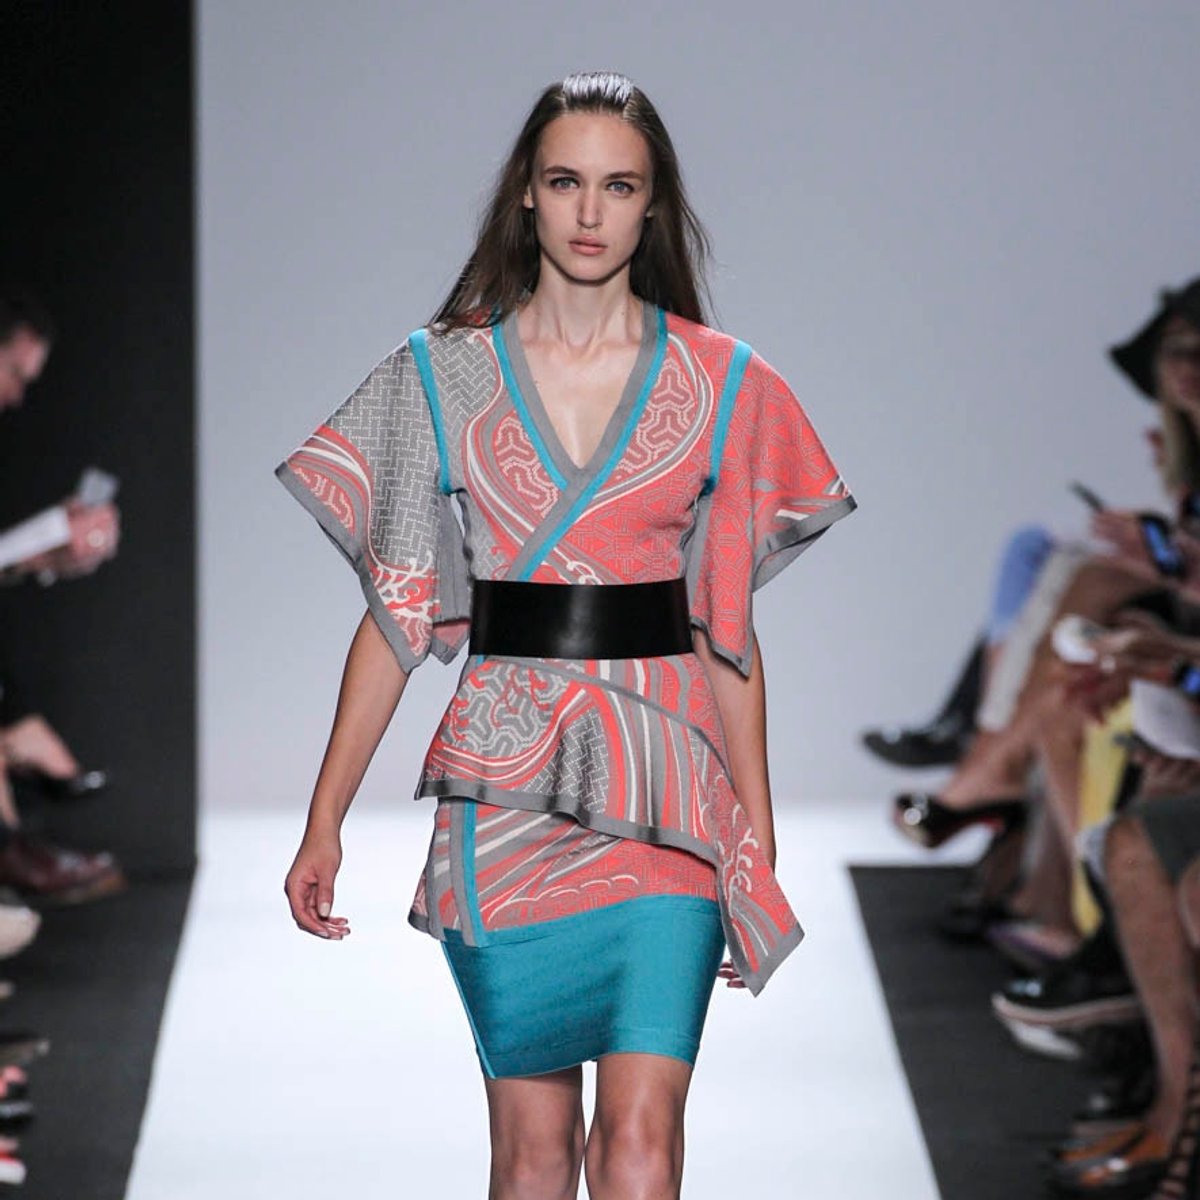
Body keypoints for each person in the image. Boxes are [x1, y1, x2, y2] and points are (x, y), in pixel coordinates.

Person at [279, 71, 855, 1197]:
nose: (591, 212)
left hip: (670, 796)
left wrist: (757, 832)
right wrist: (323, 820)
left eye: (619, 186)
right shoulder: (438, 375)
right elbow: (396, 613)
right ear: (527, 197)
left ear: (653, 206)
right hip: (504, 799)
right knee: (533, 1155)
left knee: (644, 1143)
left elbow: (727, 631)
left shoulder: (727, 384)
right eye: (566, 182)